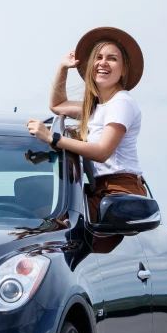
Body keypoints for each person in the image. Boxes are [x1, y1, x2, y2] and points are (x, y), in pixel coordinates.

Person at [27, 27, 146, 220]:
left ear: (123, 70)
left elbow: (101, 152)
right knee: (42, 218)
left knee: (52, 223)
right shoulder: (96, 108)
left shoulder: (121, 102)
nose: (103, 62)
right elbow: (57, 105)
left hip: (120, 193)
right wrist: (63, 67)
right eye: (98, 57)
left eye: (112, 58)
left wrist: (52, 138)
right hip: (99, 190)